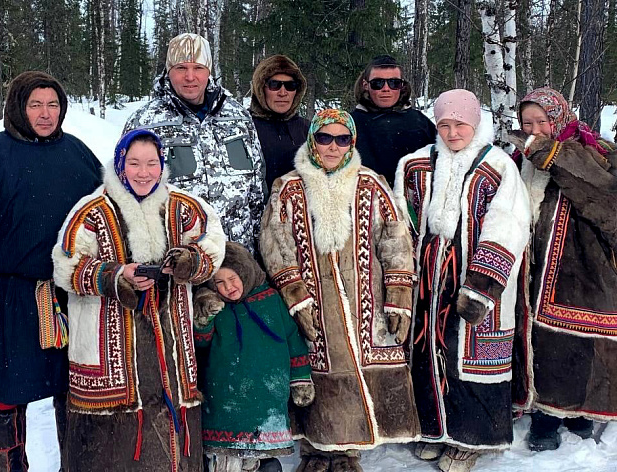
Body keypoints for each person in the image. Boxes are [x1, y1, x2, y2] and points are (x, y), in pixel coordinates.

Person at [0, 71, 102, 471]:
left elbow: (104, 217)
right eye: (35, 104)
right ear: (18, 107)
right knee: (4, 395)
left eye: (53, 104)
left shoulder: (79, 155)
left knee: (76, 394)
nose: (45, 113)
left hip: (69, 296)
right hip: (9, 295)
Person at [52, 129, 226, 471]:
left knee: (170, 427)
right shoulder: (91, 210)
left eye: (151, 163)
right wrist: (116, 277)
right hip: (108, 354)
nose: (143, 172)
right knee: (114, 450)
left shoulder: (183, 206)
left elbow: (213, 245)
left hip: (172, 344)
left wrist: (188, 261)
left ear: (162, 165)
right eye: (134, 163)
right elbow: (65, 266)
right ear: (120, 165)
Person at [261, 108, 420, 472]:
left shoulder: (370, 184)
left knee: (360, 372)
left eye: (342, 138)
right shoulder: (289, 187)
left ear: (352, 142)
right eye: (324, 138)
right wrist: (296, 298)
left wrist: (399, 296)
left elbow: (395, 241)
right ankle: (315, 452)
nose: (333, 147)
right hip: (314, 304)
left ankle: (348, 454)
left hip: (368, 304)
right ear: (312, 140)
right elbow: (275, 243)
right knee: (319, 376)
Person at [394, 89, 530, 472]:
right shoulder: (414, 164)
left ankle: (471, 439)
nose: (453, 133)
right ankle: (433, 430)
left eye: (461, 125)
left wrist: (482, 282)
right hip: (426, 280)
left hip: (474, 276)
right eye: (445, 125)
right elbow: (398, 223)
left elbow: (510, 223)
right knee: (425, 351)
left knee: (470, 356)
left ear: (476, 124)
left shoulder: (499, 166)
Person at [506, 87, 617, 452]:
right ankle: (546, 417)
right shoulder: (515, 158)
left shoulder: (595, 152)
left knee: (584, 341)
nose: (535, 128)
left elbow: (603, 199)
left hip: (585, 264)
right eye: (528, 122)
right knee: (545, 342)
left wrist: (550, 156)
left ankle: (583, 411)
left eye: (543, 121)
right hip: (535, 266)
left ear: (560, 118)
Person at [122, 33, 265, 252]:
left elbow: (256, 191)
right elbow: (128, 195)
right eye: (181, 68)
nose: (190, 77)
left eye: (198, 68)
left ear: (209, 71)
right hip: (181, 260)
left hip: (238, 257)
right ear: (168, 72)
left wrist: (259, 250)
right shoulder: (145, 123)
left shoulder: (237, 116)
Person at [194, 241, 313, 472]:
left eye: (232, 278)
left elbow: (293, 339)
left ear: (245, 271)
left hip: (267, 399)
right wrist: (203, 318)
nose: (228, 287)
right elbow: (202, 343)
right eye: (219, 282)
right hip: (226, 401)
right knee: (225, 458)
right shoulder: (216, 306)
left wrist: (301, 378)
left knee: (263, 459)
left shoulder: (270, 299)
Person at [351, 54, 436, 186]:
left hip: (413, 202)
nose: (386, 89)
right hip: (365, 201)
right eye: (377, 83)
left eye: (394, 83)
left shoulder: (419, 122)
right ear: (365, 85)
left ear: (402, 86)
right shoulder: (350, 124)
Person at [248, 55, 310, 192]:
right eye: (274, 85)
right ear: (261, 88)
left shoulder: (309, 130)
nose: (283, 93)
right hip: (258, 210)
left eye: (290, 86)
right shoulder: (245, 128)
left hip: (299, 210)